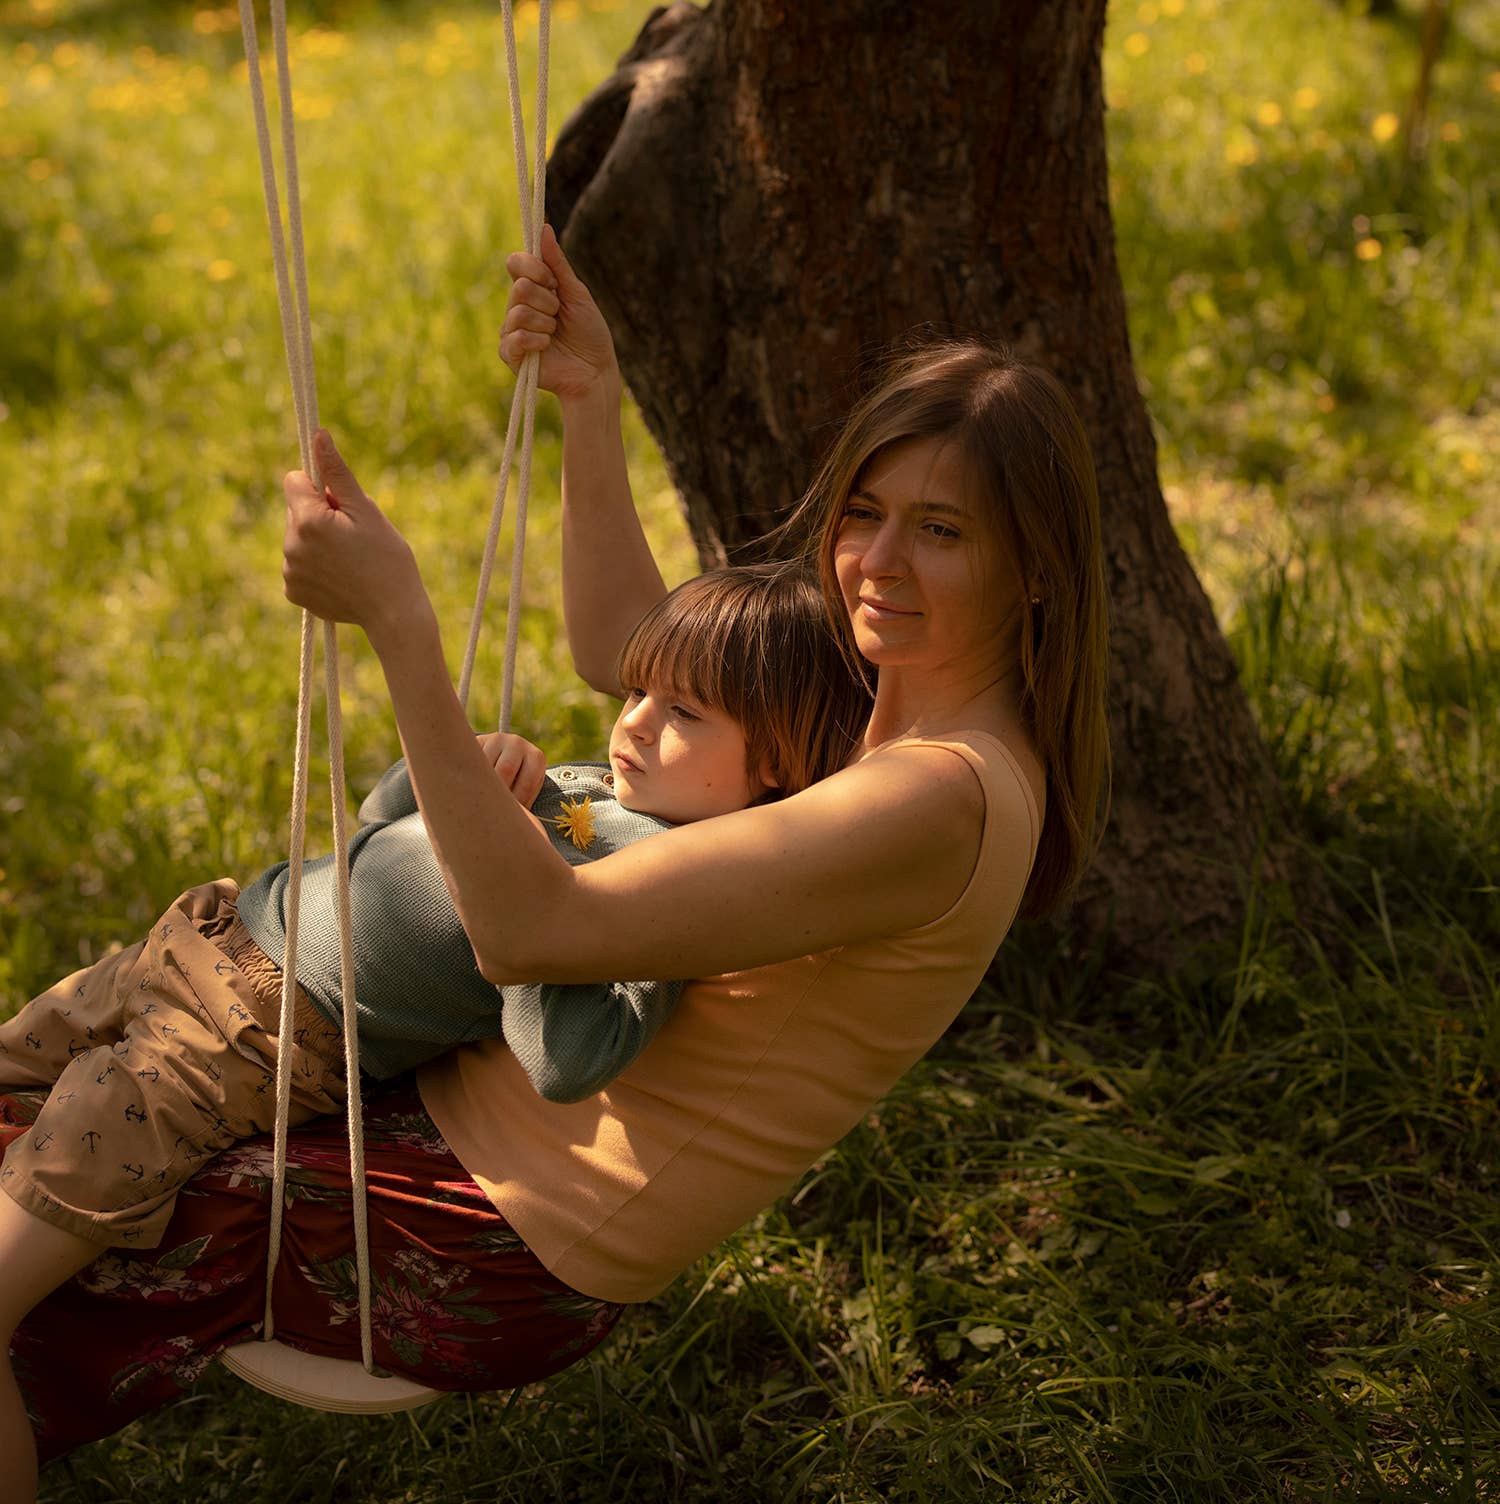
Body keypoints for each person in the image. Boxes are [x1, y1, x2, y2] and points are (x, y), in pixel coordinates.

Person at [3, 224, 1110, 1489]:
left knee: (36, 1252)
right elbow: (635, 648)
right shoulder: (890, 696)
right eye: (865, 512)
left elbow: (533, 934)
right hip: (433, 1113)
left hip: (497, 1223)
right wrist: (592, 404)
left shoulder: (938, 798)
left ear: (1036, 568)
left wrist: (401, 626)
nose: (880, 561)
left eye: (942, 531)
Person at [0, 561, 868, 1494]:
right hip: (204, 936)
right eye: (636, 692)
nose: (635, 723)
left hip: (247, 1042)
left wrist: (517, 888)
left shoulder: (670, 886)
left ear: (775, 760)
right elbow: (377, 827)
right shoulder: (601, 791)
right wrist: (458, 771)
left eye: (684, 712)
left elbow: (570, 1061)